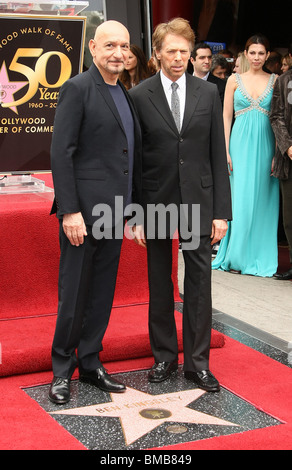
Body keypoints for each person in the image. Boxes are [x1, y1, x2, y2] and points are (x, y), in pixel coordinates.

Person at [129, 18, 231, 393]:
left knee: (200, 283)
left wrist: (222, 211)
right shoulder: (139, 95)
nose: (178, 58)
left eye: (184, 52)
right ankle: (164, 357)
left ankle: (198, 364)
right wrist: (135, 213)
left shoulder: (208, 94)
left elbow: (216, 155)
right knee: (160, 281)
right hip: (156, 199)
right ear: (158, 53)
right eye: (171, 51)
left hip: (200, 200)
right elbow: (136, 161)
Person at [48, 21, 142, 404]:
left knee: (102, 292)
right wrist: (69, 211)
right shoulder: (78, 88)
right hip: (83, 215)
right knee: (73, 294)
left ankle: (89, 362)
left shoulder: (126, 93)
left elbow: (128, 159)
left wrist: (132, 211)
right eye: (109, 46)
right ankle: (60, 371)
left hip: (113, 213)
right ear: (92, 48)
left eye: (123, 46)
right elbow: (61, 152)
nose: (118, 53)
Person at [212, 34, 279, 277]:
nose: (257, 57)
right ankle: (236, 256)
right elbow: (225, 117)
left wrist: (277, 155)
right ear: (245, 54)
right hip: (238, 145)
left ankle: (259, 257)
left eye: (261, 53)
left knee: (263, 201)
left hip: (267, 145)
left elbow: (279, 119)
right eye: (253, 52)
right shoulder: (232, 80)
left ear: (268, 55)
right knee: (238, 201)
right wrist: (225, 150)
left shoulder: (276, 80)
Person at [270, 45, 292, 280]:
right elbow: (275, 115)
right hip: (289, 158)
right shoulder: (283, 81)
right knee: (290, 217)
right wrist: (287, 146)